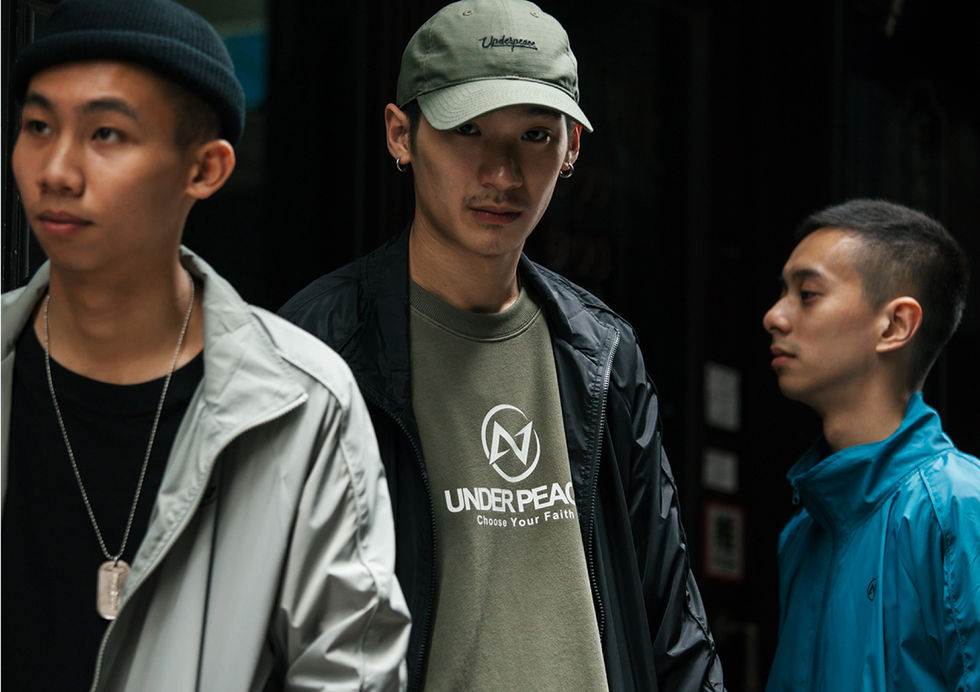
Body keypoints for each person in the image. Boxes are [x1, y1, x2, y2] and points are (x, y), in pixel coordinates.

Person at [280, 1, 724, 689]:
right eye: (467, 130)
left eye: (535, 136)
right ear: (401, 135)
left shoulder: (601, 353)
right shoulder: (320, 345)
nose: (502, 174)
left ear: (572, 149)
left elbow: (673, 624)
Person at [1, 0, 411, 689]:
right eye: (38, 127)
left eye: (106, 134)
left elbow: (349, 672)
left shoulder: (301, 404)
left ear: (206, 169)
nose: (57, 170)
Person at [762, 199, 979, 690]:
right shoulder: (803, 532)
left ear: (895, 325)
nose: (774, 317)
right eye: (782, 292)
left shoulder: (959, 507)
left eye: (808, 294)